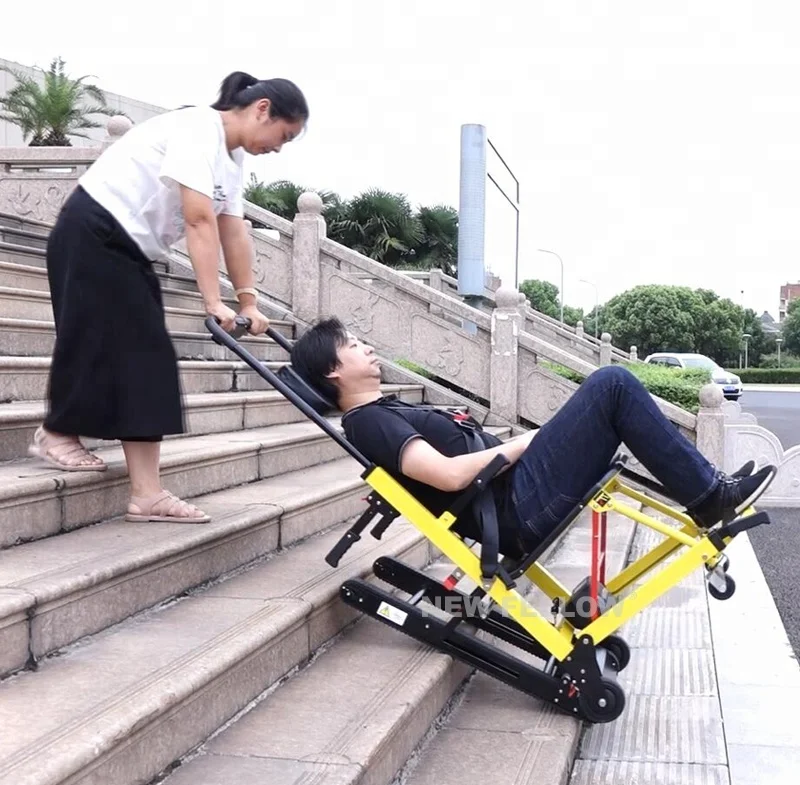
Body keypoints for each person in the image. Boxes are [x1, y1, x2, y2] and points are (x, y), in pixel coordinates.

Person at [29, 71, 309, 524]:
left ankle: (143, 492)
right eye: (284, 135)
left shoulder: (232, 159)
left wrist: (249, 299)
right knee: (120, 346)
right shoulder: (198, 128)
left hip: (129, 248)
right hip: (92, 230)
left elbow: (232, 230)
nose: (279, 147)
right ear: (263, 110)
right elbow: (198, 219)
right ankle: (63, 437)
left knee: (144, 355)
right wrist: (213, 301)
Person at [288, 317, 776, 557]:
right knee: (612, 385)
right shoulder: (368, 421)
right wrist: (529, 442)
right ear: (333, 370)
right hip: (514, 508)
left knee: (612, 391)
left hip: (515, 491)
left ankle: (707, 490)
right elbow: (451, 474)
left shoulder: (380, 409)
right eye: (354, 346)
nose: (368, 347)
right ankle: (710, 495)